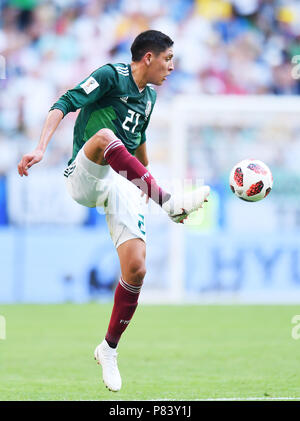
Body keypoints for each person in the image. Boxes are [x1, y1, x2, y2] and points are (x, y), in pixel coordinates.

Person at [17, 30, 210, 392]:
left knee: (137, 269)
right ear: (148, 58)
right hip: (85, 173)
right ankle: (169, 202)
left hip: (122, 182)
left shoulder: (150, 97)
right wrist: (41, 148)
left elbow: (139, 149)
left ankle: (108, 349)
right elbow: (65, 101)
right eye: (168, 59)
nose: (172, 66)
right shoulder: (110, 75)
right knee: (106, 136)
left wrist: (144, 187)